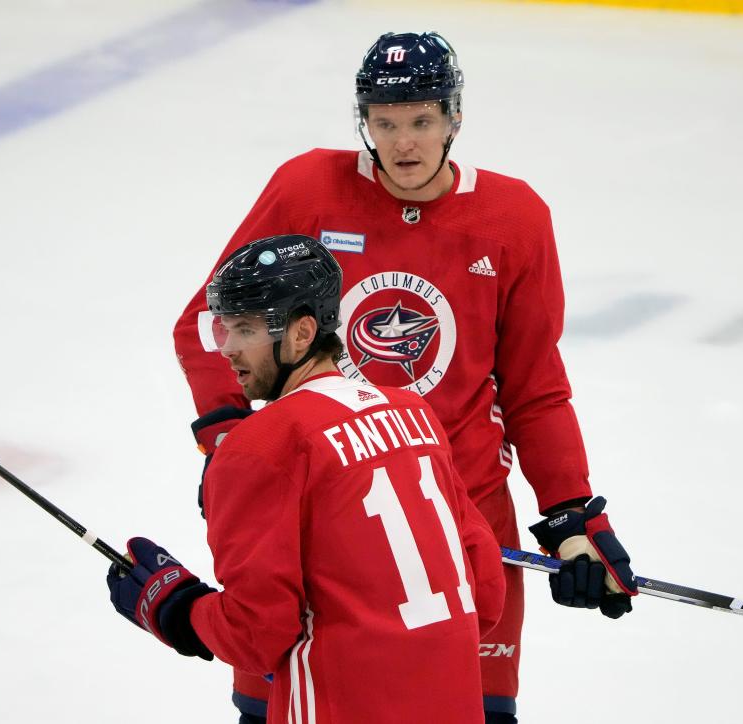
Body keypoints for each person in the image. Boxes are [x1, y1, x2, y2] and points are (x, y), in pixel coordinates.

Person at [173, 32, 638, 724]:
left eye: (422, 121)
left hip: (463, 529)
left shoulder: (513, 219)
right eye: (385, 125)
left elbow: (535, 387)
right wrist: (233, 447)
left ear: (454, 117)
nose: (404, 144)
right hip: (316, 527)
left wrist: (570, 517)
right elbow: (205, 328)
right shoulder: (308, 188)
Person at [108, 235, 507, 724]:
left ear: (301, 333)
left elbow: (255, 636)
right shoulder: (415, 414)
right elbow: (485, 593)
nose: (228, 349)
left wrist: (177, 609)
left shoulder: (260, 446)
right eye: (224, 329)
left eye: (245, 329)